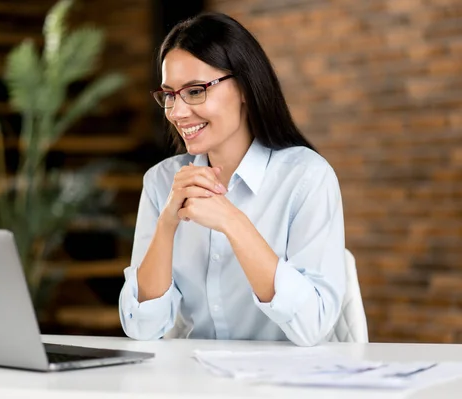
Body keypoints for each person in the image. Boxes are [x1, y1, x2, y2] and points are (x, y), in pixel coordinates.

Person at [118, 12, 346, 347]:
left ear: (244, 87)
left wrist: (232, 221)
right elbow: (142, 329)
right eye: (169, 94)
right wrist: (167, 223)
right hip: (194, 382)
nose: (177, 112)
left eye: (195, 91)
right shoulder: (161, 182)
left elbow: (314, 325)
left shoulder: (306, 177)